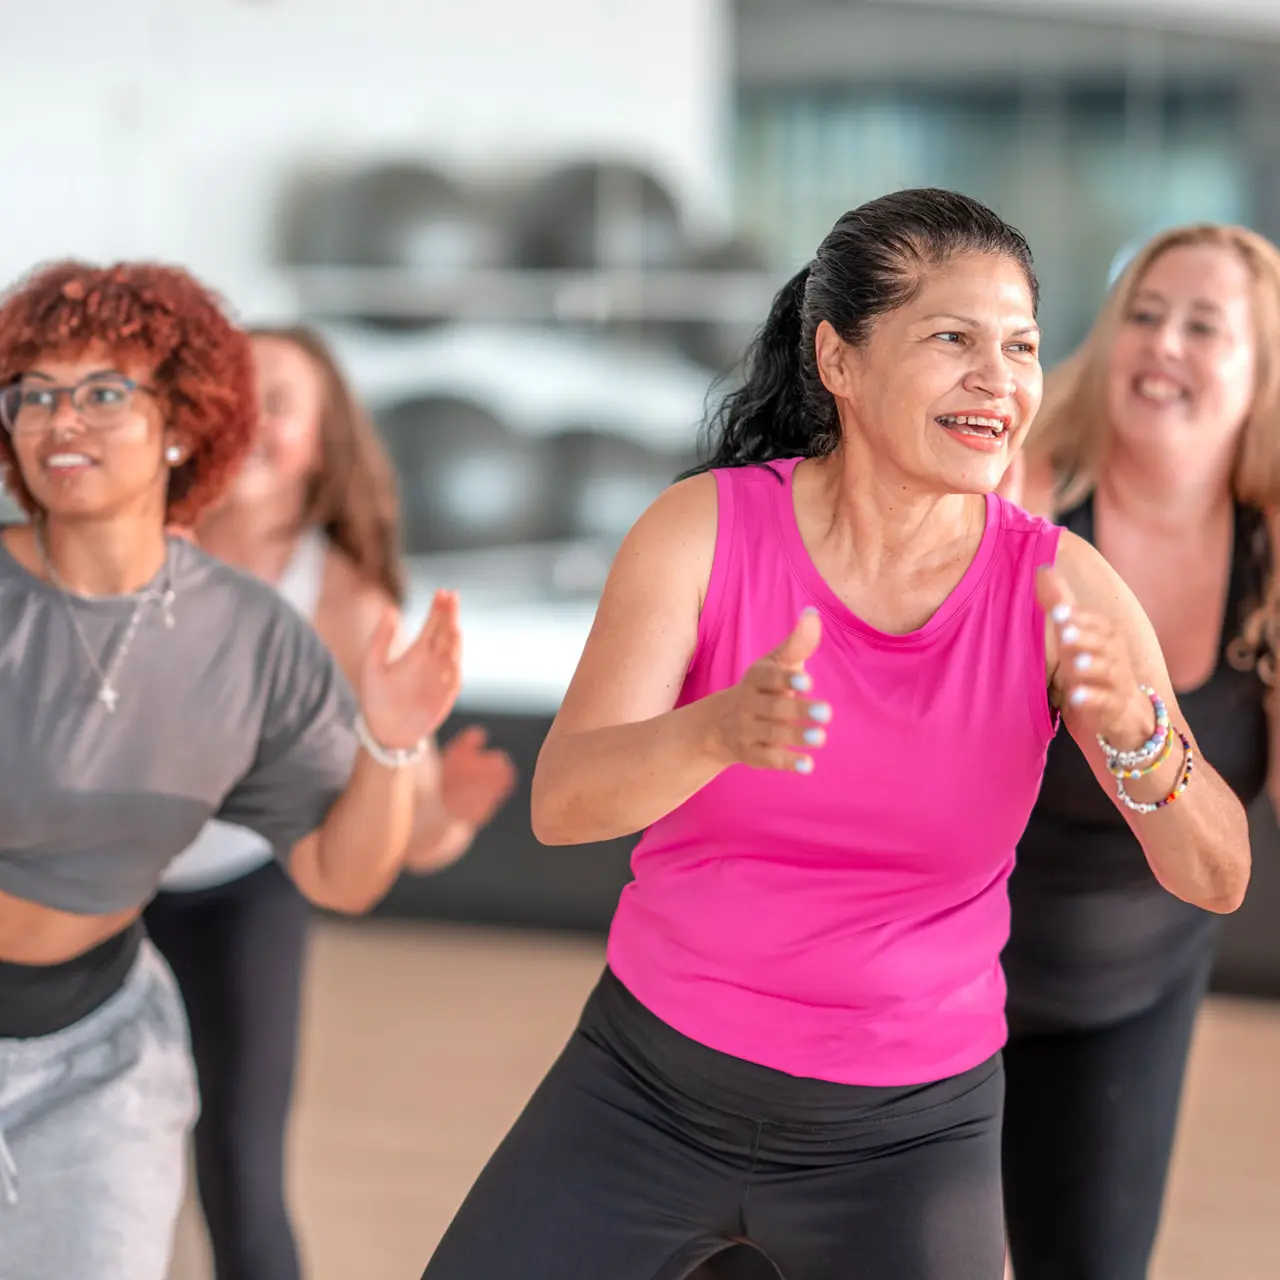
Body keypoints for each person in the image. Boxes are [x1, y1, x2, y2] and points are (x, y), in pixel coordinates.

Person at [417, 188, 1251, 1280]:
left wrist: (1135, 739)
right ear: (841, 362)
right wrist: (715, 730)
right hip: (643, 1087)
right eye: (951, 338)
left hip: (906, 1134)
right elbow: (562, 799)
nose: (997, 380)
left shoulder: (1061, 585)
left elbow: (1215, 873)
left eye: (1019, 346)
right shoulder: (702, 531)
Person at [0, 261, 465, 1280]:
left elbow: (343, 874)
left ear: (182, 422)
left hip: (97, 1052)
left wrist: (385, 741)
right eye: (33, 390)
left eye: (102, 391)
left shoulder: (253, 634)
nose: (58, 415)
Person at [142, 325, 517, 1280]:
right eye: (229, 394)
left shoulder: (348, 606)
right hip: (102, 884)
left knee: (237, 1162)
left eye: (278, 401)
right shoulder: (130, 546)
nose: (249, 417)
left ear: (320, 444)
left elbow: (410, 829)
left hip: (240, 893)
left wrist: (452, 813)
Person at [996, 223, 1280, 1280]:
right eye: (1144, 315)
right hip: (936, 967)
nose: (1160, 343)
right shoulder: (1015, 493)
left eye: (1202, 326)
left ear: (1259, 372)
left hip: (1128, 985)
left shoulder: (1270, 550)